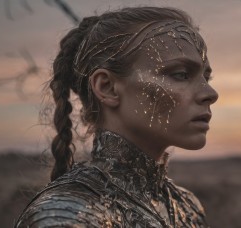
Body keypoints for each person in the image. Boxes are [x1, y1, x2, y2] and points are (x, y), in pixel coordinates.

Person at [15, 6, 218, 228]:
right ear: (108, 87)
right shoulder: (66, 216)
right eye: (181, 74)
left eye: (206, 77)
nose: (210, 93)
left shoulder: (187, 209)